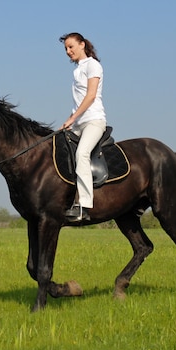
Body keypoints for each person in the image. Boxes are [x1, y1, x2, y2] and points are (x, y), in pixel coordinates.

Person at [59, 32, 107, 222]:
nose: (68, 51)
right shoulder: (77, 69)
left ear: (82, 44)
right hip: (78, 122)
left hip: (94, 121)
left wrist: (72, 118)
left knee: (82, 154)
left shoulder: (93, 65)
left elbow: (91, 96)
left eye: (71, 47)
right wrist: (70, 120)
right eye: (66, 49)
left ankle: (84, 206)